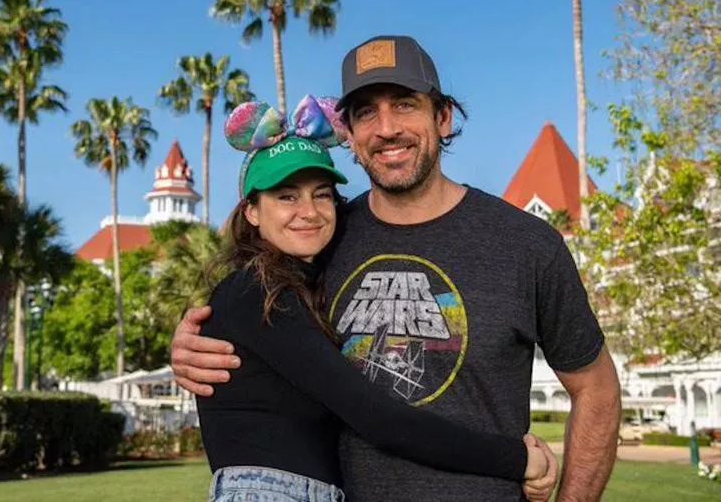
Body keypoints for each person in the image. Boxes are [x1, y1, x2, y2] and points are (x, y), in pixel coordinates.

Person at [174, 36, 622, 501]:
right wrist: (192, 340)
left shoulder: (526, 245)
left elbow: (597, 389)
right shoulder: (322, 237)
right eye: (366, 112)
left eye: (405, 104)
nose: (386, 128)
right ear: (347, 132)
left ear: (443, 117)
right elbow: (255, 314)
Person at [199, 95, 556, 501]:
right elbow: (380, 420)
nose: (309, 211)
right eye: (286, 196)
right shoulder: (256, 293)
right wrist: (516, 459)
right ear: (251, 211)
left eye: (321, 194)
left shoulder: (301, 287)